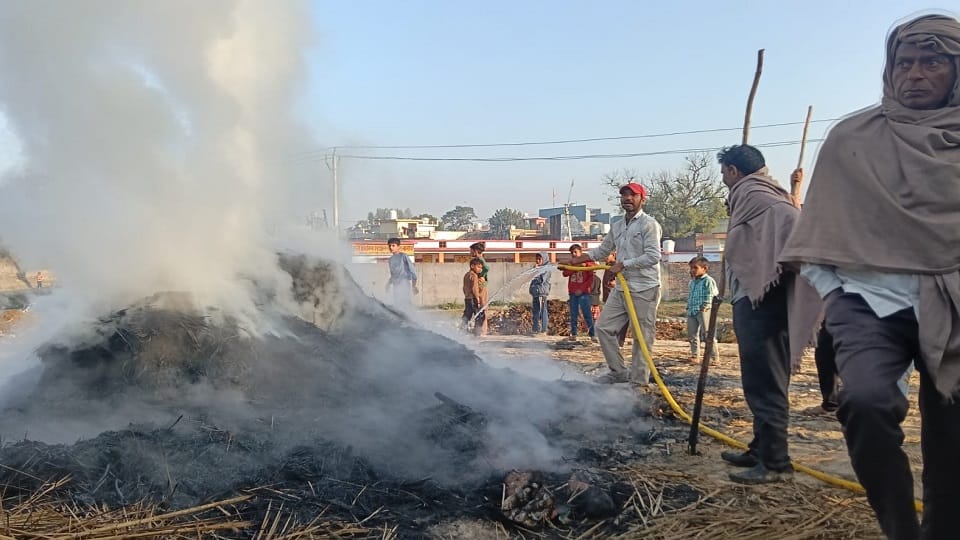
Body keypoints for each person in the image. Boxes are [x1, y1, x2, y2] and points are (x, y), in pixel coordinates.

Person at [780, 14, 960, 539]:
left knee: (951, 429)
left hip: (952, 301)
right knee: (863, 400)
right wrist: (837, 297)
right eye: (905, 63)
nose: (916, 75)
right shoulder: (851, 138)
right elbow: (816, 232)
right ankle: (900, 528)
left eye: (933, 62)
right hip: (868, 301)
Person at [715, 145, 821, 485]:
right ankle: (760, 449)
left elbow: (795, 230)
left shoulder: (763, 198)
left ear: (732, 171)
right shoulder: (755, 194)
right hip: (754, 297)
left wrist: (777, 273)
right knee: (756, 380)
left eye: (723, 173)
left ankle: (776, 462)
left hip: (766, 301)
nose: (723, 180)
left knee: (767, 383)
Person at [572, 182, 662, 384]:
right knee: (602, 328)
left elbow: (653, 256)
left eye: (633, 195)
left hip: (644, 288)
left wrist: (624, 265)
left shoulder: (649, 224)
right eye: (624, 196)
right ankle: (619, 372)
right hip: (622, 288)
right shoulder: (618, 225)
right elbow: (602, 251)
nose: (628, 199)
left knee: (642, 337)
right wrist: (579, 259)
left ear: (642, 199)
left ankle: (639, 382)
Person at [686, 256, 719, 363]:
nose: (692, 270)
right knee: (692, 335)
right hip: (692, 310)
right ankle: (695, 355)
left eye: (695, 268)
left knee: (708, 334)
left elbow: (711, 294)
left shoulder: (708, 281)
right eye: (691, 268)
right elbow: (691, 295)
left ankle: (714, 357)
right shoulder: (692, 282)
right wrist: (688, 306)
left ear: (704, 269)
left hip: (704, 311)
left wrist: (706, 305)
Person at [561, 244, 596, 341]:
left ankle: (592, 334)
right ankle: (574, 334)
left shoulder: (587, 262)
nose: (574, 254)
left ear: (580, 252)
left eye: (575, 252)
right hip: (573, 292)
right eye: (572, 253)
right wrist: (574, 267)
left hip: (584, 292)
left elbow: (590, 278)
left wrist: (582, 289)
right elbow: (565, 273)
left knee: (587, 313)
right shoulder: (571, 263)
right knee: (573, 313)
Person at [386, 238, 418, 307]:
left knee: (405, 302)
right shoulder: (391, 260)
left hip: (404, 283)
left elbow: (412, 271)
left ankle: (413, 316)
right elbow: (393, 274)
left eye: (393, 245)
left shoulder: (403, 256)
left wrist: (414, 286)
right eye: (390, 246)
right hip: (396, 285)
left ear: (398, 246)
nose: (391, 247)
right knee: (397, 304)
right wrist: (388, 284)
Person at [469, 242, 490, 336]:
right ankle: (480, 330)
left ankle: (482, 331)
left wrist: (481, 275)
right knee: (480, 308)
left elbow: (487, 268)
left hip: (482, 286)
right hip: (481, 285)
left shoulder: (480, 260)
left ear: (476, 251)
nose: (470, 252)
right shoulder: (477, 259)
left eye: (471, 251)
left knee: (482, 308)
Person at [528, 251, 551, 335]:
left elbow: (541, 280)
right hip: (536, 293)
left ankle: (543, 330)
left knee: (542, 311)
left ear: (544, 259)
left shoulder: (547, 268)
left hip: (541, 292)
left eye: (539, 259)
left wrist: (536, 272)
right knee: (536, 311)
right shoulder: (539, 268)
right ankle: (535, 329)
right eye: (536, 259)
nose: (537, 261)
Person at [461, 258, 485, 335]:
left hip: (467, 298)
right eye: (478, 267)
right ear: (472, 266)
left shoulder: (466, 275)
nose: (480, 269)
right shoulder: (474, 276)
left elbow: (464, 288)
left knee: (467, 315)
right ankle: (477, 333)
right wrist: (477, 299)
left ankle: (463, 330)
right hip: (473, 299)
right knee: (480, 315)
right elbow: (474, 288)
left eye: (481, 268)